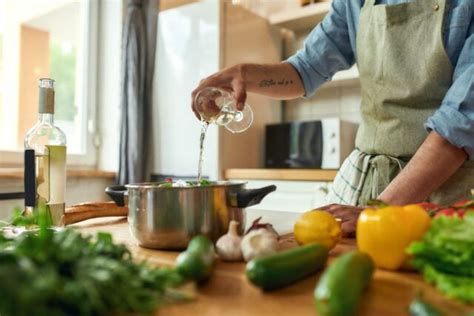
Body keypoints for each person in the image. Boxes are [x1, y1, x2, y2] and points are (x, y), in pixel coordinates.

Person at [191, 0, 474, 236]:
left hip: (442, 194)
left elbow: (458, 124)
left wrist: (379, 210)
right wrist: (244, 74)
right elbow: (305, 69)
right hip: (370, 190)